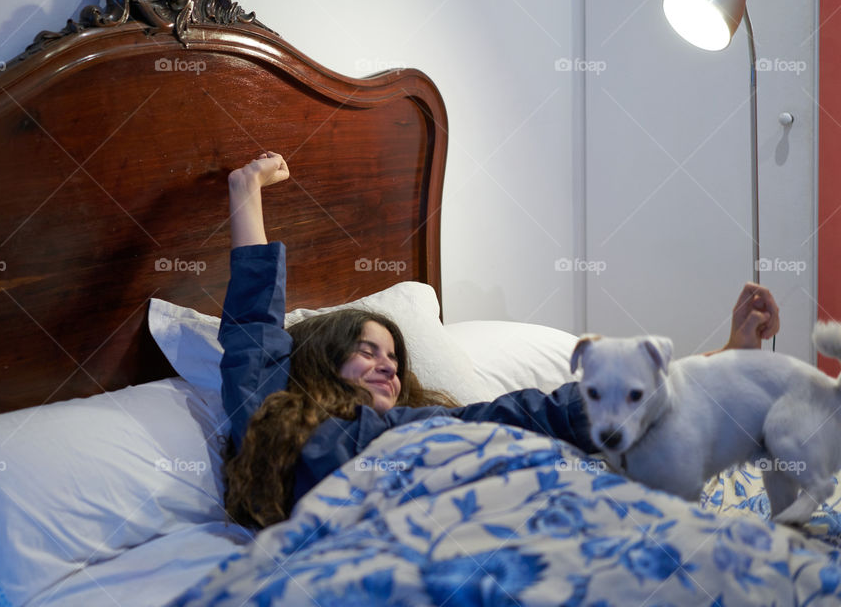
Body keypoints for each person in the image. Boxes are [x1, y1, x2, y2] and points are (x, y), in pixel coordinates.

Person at [219, 152, 781, 529]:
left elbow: (537, 418)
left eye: (392, 356)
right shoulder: (281, 421)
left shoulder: (429, 423)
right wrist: (246, 190)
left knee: (556, 415)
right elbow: (254, 330)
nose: (387, 366)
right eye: (367, 351)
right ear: (319, 361)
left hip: (506, 496)